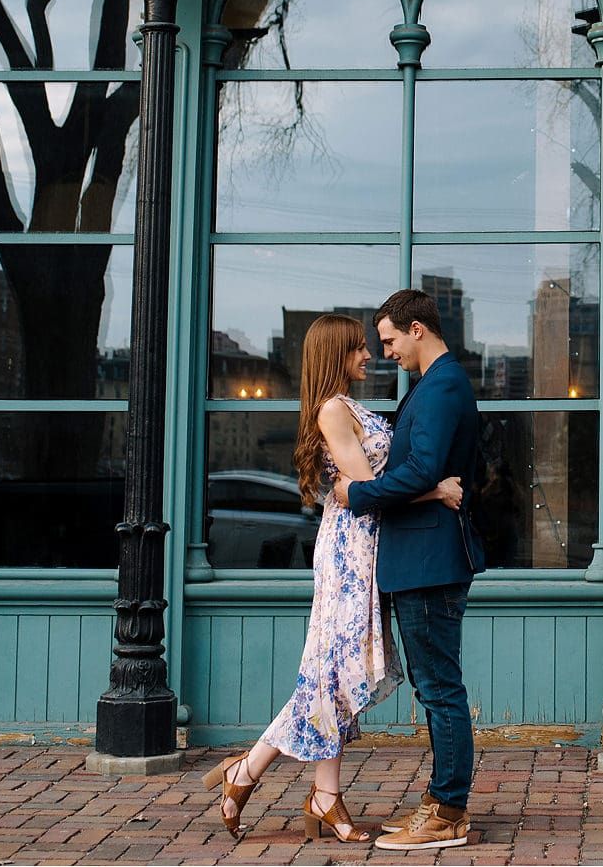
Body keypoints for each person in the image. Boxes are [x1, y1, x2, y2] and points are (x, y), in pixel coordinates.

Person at [201, 314, 465, 843]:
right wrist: (435, 491)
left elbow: (371, 483)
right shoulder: (331, 410)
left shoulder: (349, 406)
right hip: (349, 552)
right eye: (358, 349)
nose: (369, 355)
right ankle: (252, 773)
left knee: (332, 675)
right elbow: (368, 487)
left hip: (369, 547)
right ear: (335, 355)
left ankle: (316, 792)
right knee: (332, 674)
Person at [333, 288, 488, 851]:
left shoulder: (443, 385)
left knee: (440, 690)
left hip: (429, 561)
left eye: (391, 340)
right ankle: (442, 800)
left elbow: (422, 467)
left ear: (418, 328)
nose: (387, 352)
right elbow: (435, 472)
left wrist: (356, 493)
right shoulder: (433, 386)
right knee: (434, 688)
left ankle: (448, 812)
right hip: (420, 559)